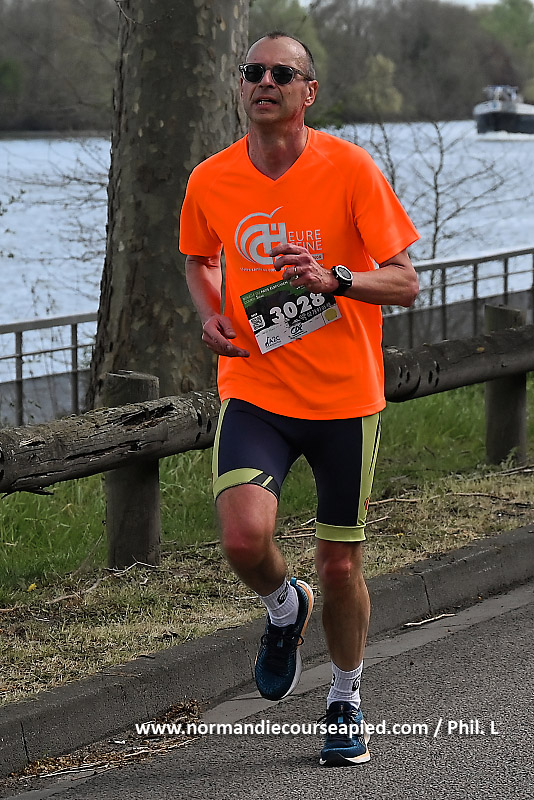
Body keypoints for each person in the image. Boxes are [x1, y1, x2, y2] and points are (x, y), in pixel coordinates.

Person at [179, 31, 420, 767]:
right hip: (256, 388)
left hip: (345, 398)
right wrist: (211, 313)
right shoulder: (211, 178)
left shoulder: (350, 169)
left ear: (307, 93)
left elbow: (406, 282)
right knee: (243, 541)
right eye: (252, 71)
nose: (264, 81)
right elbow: (198, 258)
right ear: (240, 86)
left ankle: (345, 695)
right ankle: (285, 608)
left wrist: (334, 280)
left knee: (341, 567)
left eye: (281, 73)